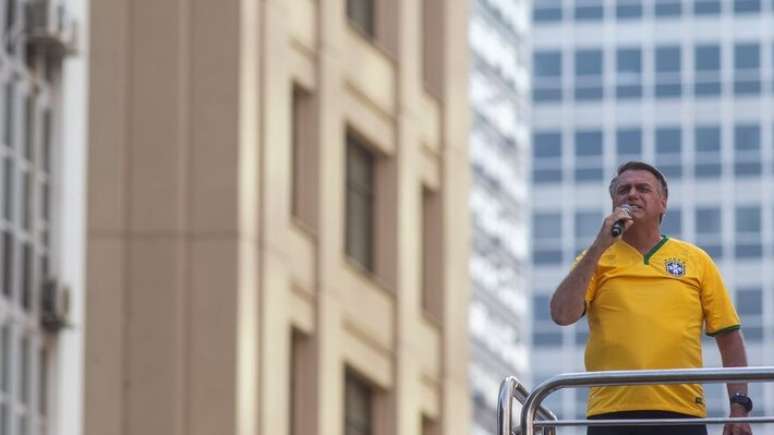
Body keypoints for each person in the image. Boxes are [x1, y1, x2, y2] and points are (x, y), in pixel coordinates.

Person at [549, 161, 753, 435]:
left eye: (643, 188)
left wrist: (739, 407)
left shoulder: (696, 260)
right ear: (613, 203)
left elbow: (729, 338)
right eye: (623, 190)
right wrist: (599, 245)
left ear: (663, 203)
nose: (632, 194)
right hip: (609, 413)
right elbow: (562, 315)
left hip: (682, 413)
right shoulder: (595, 259)